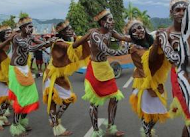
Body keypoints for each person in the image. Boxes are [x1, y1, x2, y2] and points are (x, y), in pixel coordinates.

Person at [71, 9, 131, 137]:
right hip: (94, 69)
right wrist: (125, 51)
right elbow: (106, 51)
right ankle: (96, 131)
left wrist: (141, 38)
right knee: (94, 102)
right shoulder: (94, 34)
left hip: (105, 68)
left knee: (115, 98)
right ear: (102, 22)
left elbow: (125, 38)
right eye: (110, 20)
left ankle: (111, 127)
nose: (113, 22)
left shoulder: (111, 32)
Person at [43, 20, 90, 136]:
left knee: (68, 98)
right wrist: (87, 35)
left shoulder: (66, 41)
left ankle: (55, 119)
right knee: (53, 101)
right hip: (51, 76)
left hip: (61, 76)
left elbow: (75, 49)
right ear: (62, 33)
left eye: (70, 28)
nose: (70, 31)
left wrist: (78, 38)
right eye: (67, 30)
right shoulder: (58, 42)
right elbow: (73, 47)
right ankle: (56, 127)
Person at [125, 19, 171, 137]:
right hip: (143, 83)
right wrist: (157, 43)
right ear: (131, 35)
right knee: (147, 112)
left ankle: (147, 132)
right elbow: (149, 60)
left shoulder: (150, 41)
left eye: (139, 28)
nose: (138, 31)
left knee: (158, 111)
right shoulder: (134, 48)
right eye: (134, 31)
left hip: (155, 80)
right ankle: (147, 133)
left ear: (144, 28)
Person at [8, 16, 50, 136]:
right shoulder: (17, 38)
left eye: (32, 26)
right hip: (16, 70)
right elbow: (30, 48)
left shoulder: (30, 36)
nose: (32, 29)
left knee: (31, 97)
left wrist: (51, 43)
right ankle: (16, 127)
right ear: (22, 28)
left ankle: (21, 121)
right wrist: (46, 43)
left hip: (25, 69)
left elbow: (41, 43)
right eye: (30, 27)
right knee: (20, 99)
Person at [158, 0, 190, 136]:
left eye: (185, 10)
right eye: (178, 10)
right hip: (180, 77)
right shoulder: (166, 34)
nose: (181, 13)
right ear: (171, 12)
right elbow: (173, 58)